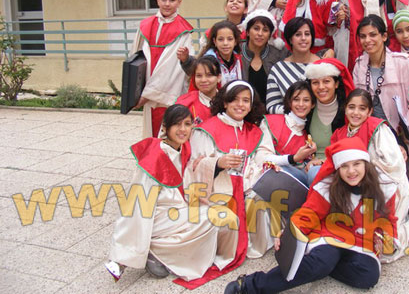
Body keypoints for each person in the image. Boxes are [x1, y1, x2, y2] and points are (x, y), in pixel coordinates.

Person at [224, 138, 395, 294]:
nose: (351, 171)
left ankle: (321, 266)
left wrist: (383, 236)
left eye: (356, 164)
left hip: (360, 241)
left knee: (368, 276)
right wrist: (288, 233)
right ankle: (250, 285)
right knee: (320, 263)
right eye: (344, 166)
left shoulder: (384, 188)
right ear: (338, 168)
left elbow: (389, 220)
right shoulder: (330, 186)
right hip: (331, 236)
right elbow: (309, 213)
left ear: (365, 164)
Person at [183, 81, 276, 288]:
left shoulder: (255, 131)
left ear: (251, 105)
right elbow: (193, 167)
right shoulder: (206, 130)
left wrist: (262, 168)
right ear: (224, 102)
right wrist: (218, 163)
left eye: (246, 101)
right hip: (216, 187)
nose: (240, 105)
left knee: (259, 198)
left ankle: (254, 244)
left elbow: (263, 158)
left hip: (248, 185)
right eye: (235, 99)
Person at [106, 104, 214, 281]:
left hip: (176, 208)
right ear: (165, 127)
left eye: (187, 124)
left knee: (211, 217)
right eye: (177, 124)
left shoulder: (182, 148)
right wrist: (124, 253)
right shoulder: (155, 156)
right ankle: (154, 252)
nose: (183, 129)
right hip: (158, 216)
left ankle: (157, 251)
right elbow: (138, 202)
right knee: (209, 218)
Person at [330, 89, 409, 261]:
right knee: (356, 241)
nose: (356, 112)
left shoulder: (378, 129)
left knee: (382, 250)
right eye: (351, 107)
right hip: (352, 190)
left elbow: (393, 166)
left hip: (383, 188)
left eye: (362, 108)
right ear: (345, 108)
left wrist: (365, 176)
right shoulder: (340, 133)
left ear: (369, 112)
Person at [130, 0, 194, 138]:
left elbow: (174, 69)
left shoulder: (184, 31)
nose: (167, 4)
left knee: (168, 134)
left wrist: (148, 95)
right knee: (150, 134)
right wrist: (134, 91)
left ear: (179, 2)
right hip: (147, 87)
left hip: (168, 94)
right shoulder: (145, 25)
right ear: (157, 0)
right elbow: (135, 58)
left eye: (172, 0)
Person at [352, 15, 409, 157]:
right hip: (369, 135)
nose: (367, 40)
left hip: (399, 135)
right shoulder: (359, 65)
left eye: (373, 35)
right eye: (363, 36)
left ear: (384, 36)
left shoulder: (402, 63)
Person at [304, 58, 355, 185]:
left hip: (341, 166)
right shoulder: (306, 110)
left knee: (315, 173)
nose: (321, 87)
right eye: (315, 82)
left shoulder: (350, 111)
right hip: (308, 165)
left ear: (336, 84)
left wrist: (323, 162)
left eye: (326, 81)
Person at [260, 80, 317, 185]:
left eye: (306, 100)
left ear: (312, 104)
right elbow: (262, 158)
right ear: (289, 102)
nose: (301, 104)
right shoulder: (270, 122)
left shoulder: (307, 135)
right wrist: (293, 158)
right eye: (296, 99)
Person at [266, 18, 320, 114]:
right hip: (290, 121)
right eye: (298, 34)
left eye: (307, 34)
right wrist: (296, 110)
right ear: (290, 39)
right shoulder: (278, 69)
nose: (303, 38)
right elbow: (272, 106)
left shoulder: (323, 66)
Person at [240, 10, 289, 103]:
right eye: (256, 28)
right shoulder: (237, 52)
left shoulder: (278, 54)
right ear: (247, 32)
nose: (260, 34)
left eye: (265, 30)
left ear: (270, 35)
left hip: (271, 108)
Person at [176, 56, 221, 124]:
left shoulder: (228, 103)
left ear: (219, 77)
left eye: (209, 75)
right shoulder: (184, 103)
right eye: (199, 76)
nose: (203, 80)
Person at [199, 20, 243, 86]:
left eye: (230, 39)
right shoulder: (207, 62)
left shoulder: (239, 59)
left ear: (235, 41)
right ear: (214, 41)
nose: (225, 43)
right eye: (220, 39)